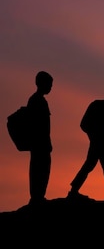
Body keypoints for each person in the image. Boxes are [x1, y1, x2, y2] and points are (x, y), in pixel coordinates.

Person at [27, 71, 54, 205]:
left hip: (41, 142)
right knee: (39, 169)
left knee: (42, 168)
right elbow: (39, 124)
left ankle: (39, 196)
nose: (50, 87)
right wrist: (45, 141)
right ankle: (36, 197)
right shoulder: (36, 100)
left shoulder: (38, 100)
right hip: (39, 143)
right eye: (49, 84)